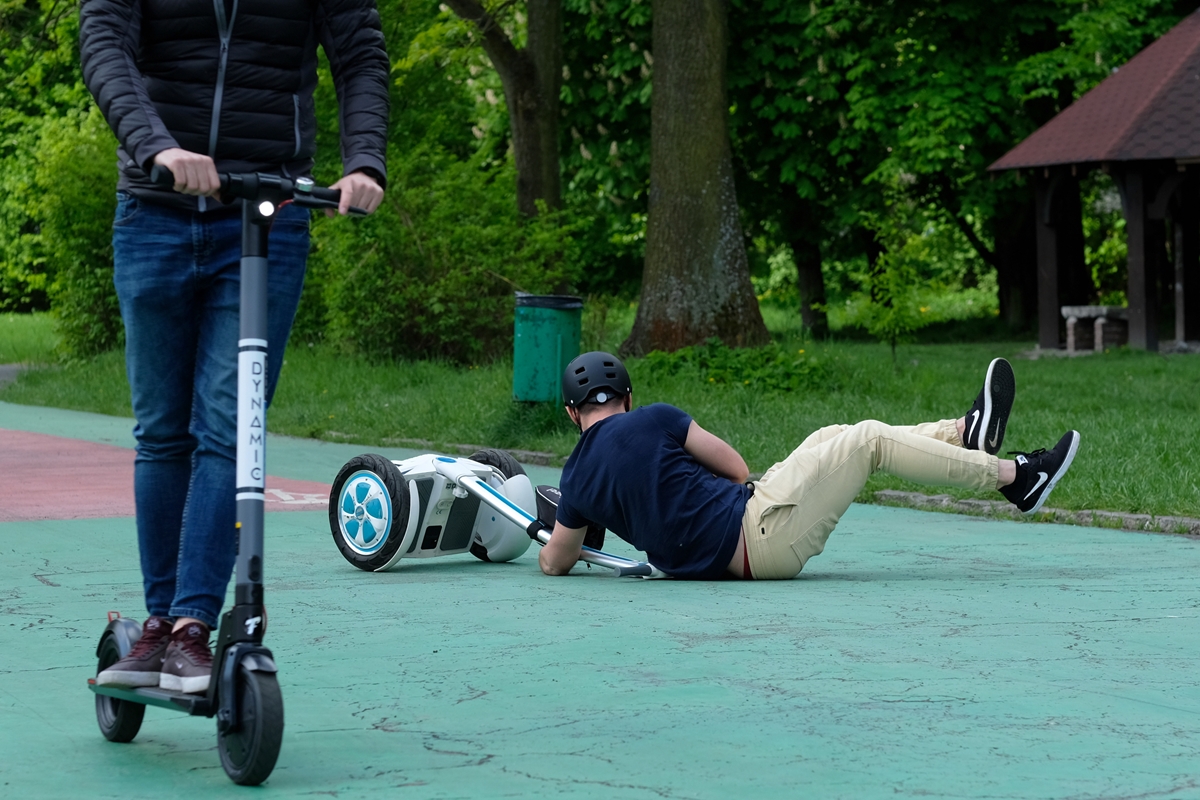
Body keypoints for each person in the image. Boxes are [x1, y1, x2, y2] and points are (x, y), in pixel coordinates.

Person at [84, 0, 390, 693]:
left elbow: (360, 51)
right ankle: (158, 622)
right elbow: (104, 42)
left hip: (266, 213)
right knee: (162, 432)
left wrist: (364, 159)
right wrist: (156, 146)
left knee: (229, 430)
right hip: (154, 207)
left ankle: (191, 626)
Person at [539, 352, 1080, 580]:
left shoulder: (577, 476)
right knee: (866, 441)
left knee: (833, 436)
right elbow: (734, 467)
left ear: (572, 413)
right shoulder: (655, 418)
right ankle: (1016, 479)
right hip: (760, 534)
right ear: (627, 399)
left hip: (754, 530)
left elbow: (556, 562)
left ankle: (966, 434)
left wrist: (587, 515)